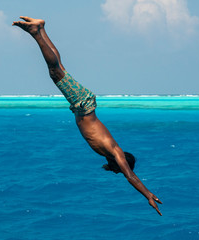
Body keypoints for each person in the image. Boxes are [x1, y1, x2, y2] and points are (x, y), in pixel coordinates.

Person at [12, 16, 162, 215]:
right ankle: (36, 33)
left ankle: (41, 29)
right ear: (124, 162)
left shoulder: (110, 154)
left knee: (59, 70)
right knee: (55, 72)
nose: (118, 169)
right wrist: (148, 194)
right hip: (83, 104)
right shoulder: (116, 152)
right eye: (120, 168)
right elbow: (131, 177)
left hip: (81, 105)